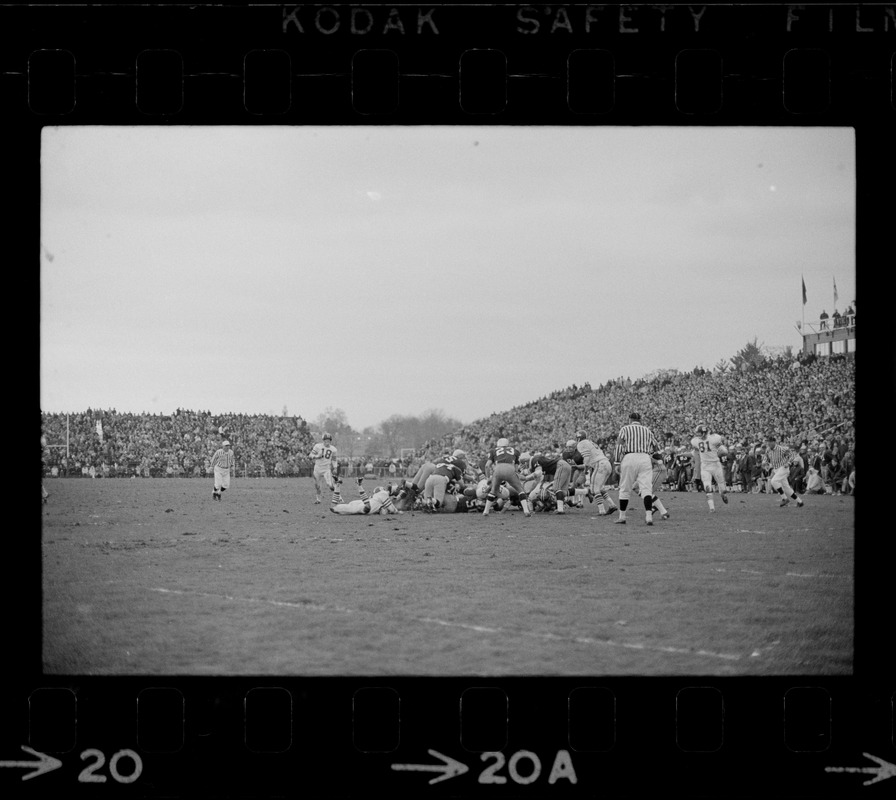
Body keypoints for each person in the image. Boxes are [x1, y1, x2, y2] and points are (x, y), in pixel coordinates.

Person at [613, 412, 662, 526]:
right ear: (640, 420)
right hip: (645, 458)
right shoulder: (647, 430)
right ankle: (649, 516)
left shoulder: (625, 429)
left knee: (625, 488)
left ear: (629, 419)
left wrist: (617, 462)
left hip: (629, 457)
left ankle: (622, 517)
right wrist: (657, 459)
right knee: (646, 488)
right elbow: (656, 447)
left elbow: (619, 446)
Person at [482, 437, 532, 517]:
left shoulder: (493, 451)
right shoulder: (515, 451)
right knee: (520, 490)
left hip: (498, 469)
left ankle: (486, 511)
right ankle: (526, 511)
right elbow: (516, 468)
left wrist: (488, 478)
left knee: (493, 490)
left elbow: (487, 466)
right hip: (510, 469)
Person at [575, 430, 618, 516]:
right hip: (606, 463)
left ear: (578, 438)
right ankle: (612, 505)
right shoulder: (590, 442)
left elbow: (586, 458)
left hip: (599, 464)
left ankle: (601, 510)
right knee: (600, 488)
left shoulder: (581, 444)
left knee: (594, 489)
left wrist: (586, 468)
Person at [690, 423, 730, 512]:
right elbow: (696, 452)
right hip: (705, 466)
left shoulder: (713, 439)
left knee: (722, 486)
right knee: (707, 487)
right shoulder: (695, 441)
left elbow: (724, 451)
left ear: (704, 432)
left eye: (699, 433)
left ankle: (723, 494)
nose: (698, 435)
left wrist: (720, 452)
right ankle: (712, 508)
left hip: (716, 465)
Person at [764, 434, 805, 507]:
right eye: (768, 441)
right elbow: (766, 458)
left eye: (770, 441)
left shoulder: (781, 448)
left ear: (774, 442)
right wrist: (766, 463)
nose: (768, 443)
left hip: (783, 468)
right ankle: (800, 502)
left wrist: (788, 463)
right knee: (786, 488)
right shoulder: (768, 449)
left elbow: (792, 455)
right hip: (776, 469)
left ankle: (784, 498)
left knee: (773, 481)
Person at [330, 478, 400, 515]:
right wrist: (398, 512)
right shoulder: (384, 494)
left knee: (334, 508)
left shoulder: (377, 496)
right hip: (366, 505)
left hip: (359, 502)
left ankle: (337, 485)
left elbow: (384, 510)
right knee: (367, 508)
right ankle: (359, 486)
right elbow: (393, 510)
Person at [309, 432, 342, 505]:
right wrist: (317, 456)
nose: (327, 442)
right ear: (323, 440)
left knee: (330, 485)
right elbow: (310, 455)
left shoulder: (333, 449)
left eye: (329, 440)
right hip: (317, 468)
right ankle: (318, 499)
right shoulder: (317, 446)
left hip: (326, 469)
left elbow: (334, 459)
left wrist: (335, 467)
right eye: (326, 440)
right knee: (317, 485)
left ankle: (339, 497)